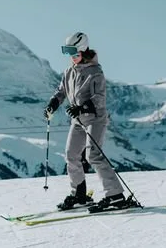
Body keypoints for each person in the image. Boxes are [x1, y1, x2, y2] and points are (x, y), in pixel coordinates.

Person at [45, 32, 138, 213]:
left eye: (75, 53)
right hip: (78, 120)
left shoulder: (95, 72)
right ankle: (79, 195)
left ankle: (115, 196)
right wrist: (53, 103)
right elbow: (61, 91)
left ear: (83, 50)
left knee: (93, 156)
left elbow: (99, 98)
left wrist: (81, 108)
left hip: (95, 119)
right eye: (69, 54)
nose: (72, 58)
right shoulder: (69, 72)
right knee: (71, 155)